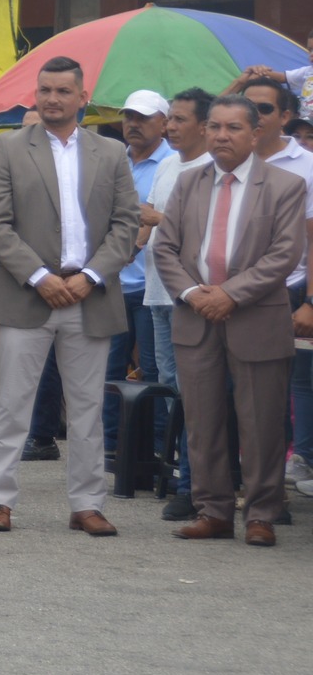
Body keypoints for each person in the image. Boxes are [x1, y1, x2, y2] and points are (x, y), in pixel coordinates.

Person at [0, 56, 140, 536]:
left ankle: (87, 504)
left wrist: (90, 276)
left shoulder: (111, 152)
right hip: (25, 293)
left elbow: (126, 224)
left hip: (90, 294)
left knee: (87, 407)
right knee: (11, 402)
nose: (52, 99)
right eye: (45, 90)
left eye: (63, 91)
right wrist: (38, 276)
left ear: (82, 97)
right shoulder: (9, 148)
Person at [157, 95, 308, 546]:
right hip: (196, 316)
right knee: (202, 422)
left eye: (234, 128)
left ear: (255, 134)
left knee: (261, 423)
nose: (222, 136)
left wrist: (230, 294)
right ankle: (213, 511)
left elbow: (285, 254)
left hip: (256, 317)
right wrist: (192, 294)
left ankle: (262, 513)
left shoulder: (284, 185)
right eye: (215, 127)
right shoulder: (187, 182)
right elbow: (165, 248)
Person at [221, 74, 313, 501]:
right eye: (247, 107)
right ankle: (220, 489)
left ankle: (271, 496)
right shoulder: (227, 159)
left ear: (286, 115)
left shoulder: (306, 166)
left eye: (263, 108)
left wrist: (309, 300)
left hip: (284, 290)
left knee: (271, 399)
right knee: (222, 393)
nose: (253, 116)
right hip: (223, 291)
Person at [138, 88, 212, 520]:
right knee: (170, 388)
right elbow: (146, 217)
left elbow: (205, 230)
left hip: (190, 296)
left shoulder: (212, 168)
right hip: (156, 293)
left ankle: (196, 483)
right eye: (170, 119)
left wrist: (155, 220)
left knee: (194, 391)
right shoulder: (168, 163)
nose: (170, 127)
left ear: (204, 126)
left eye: (180, 119)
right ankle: (181, 470)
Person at [105, 91, 174, 436]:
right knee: (107, 370)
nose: (133, 124)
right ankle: (109, 445)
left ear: (164, 123)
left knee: (155, 371)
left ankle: (158, 445)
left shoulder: (174, 163)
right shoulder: (113, 159)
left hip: (153, 284)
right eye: (128, 116)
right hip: (111, 283)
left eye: (143, 118)